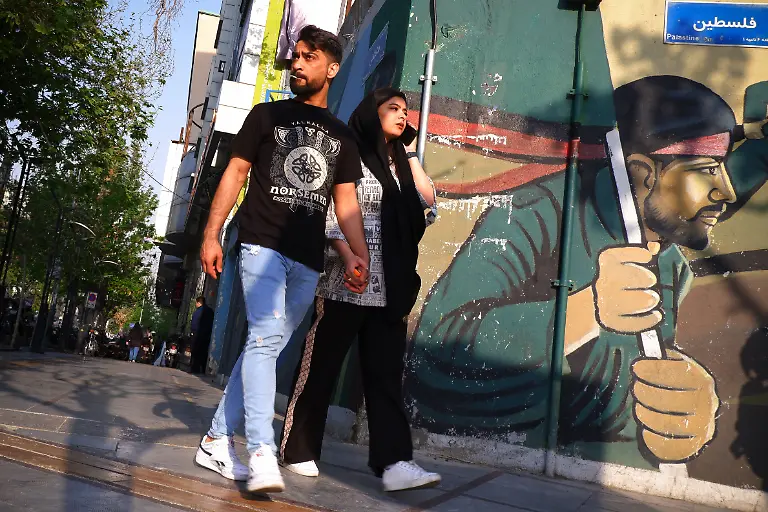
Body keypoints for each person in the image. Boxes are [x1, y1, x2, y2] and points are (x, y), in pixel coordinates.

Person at [406, 76, 768, 466]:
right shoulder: (534, 212)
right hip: (489, 471)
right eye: (707, 169)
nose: (727, 192)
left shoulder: (669, 263)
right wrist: (586, 309)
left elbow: (615, 392)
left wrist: (685, 409)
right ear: (644, 172)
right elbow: (437, 351)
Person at [194, 25, 369, 494]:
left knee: (264, 346)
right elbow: (234, 174)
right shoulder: (266, 115)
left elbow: (346, 202)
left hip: (308, 258)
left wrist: (360, 256)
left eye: (308, 57)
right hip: (261, 242)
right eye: (295, 56)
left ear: (331, 68)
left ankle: (214, 438)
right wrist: (212, 234)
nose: (296, 63)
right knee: (268, 338)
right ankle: (260, 450)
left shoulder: (342, 137)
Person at [279, 88, 441, 491]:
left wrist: (413, 157)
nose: (403, 116)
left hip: (390, 287)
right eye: (393, 109)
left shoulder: (401, 163)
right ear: (373, 112)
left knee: (385, 377)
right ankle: (297, 448)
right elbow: (330, 208)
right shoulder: (346, 149)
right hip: (345, 281)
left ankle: (395, 463)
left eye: (406, 111)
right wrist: (345, 252)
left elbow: (429, 206)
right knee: (321, 370)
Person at [190, 296, 214, 373]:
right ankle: (203, 369)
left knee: (195, 352)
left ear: (199, 302)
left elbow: (194, 324)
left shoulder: (197, 312)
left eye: (196, 303)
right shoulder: (210, 311)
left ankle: (195, 369)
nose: (195, 305)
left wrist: (192, 332)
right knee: (204, 352)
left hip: (197, 335)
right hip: (207, 336)